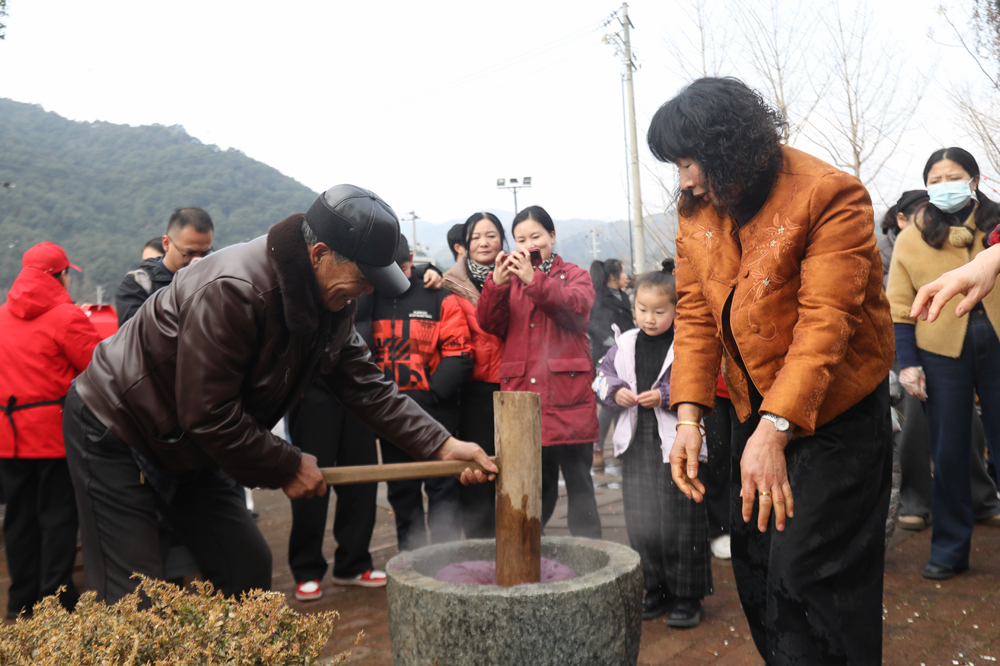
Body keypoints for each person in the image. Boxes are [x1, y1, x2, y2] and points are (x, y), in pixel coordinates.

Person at [63, 184, 496, 604]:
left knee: (245, 566)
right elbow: (208, 413)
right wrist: (287, 462)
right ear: (320, 254)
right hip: (118, 427)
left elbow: (366, 384)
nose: (367, 292)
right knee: (132, 597)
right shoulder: (235, 289)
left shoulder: (332, 302)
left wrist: (441, 444)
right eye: (364, 278)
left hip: (189, 443)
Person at [651, 78, 894, 663]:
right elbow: (694, 314)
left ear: (729, 147)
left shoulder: (830, 195)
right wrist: (689, 417)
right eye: (677, 165)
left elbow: (825, 325)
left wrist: (775, 428)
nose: (684, 179)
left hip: (834, 414)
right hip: (753, 410)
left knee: (812, 580)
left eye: (690, 162)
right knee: (758, 573)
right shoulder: (699, 209)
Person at [886, 147, 1000, 580]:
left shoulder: (996, 224)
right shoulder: (913, 235)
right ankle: (950, 547)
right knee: (947, 451)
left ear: (973, 180)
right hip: (940, 352)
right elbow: (899, 305)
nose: (943, 185)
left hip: (997, 346)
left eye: (953, 176)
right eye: (934, 179)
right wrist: (908, 363)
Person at [593, 261, 712, 627]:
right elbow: (600, 378)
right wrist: (615, 392)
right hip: (637, 447)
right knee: (642, 520)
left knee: (682, 521)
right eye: (642, 310)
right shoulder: (624, 344)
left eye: (660, 311)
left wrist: (664, 395)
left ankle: (687, 596)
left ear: (676, 311)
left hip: (678, 446)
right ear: (633, 310)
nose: (649, 318)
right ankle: (655, 587)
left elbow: (702, 382)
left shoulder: (686, 343)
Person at [477, 205, 602, 538]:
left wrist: (534, 280)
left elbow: (576, 311)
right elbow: (489, 324)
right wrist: (496, 286)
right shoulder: (510, 279)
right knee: (535, 484)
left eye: (536, 236)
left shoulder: (575, 274)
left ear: (552, 236)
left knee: (580, 483)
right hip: (524, 397)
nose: (529, 244)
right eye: (520, 239)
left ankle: (594, 555)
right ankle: (528, 550)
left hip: (567, 396)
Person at [0, 242, 102, 618]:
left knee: (19, 519)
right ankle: (55, 600)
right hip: (53, 438)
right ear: (59, 276)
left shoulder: (0, 317)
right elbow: (96, 369)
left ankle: (19, 602)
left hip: (8, 440)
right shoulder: (66, 316)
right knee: (58, 518)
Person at [367, 235, 473, 550]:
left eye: (400, 269)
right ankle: (410, 559)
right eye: (386, 272)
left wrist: (430, 395)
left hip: (436, 414)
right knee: (402, 491)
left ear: (411, 260)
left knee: (443, 490)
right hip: (390, 418)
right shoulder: (369, 297)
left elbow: (460, 351)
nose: (393, 279)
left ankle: (446, 558)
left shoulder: (438, 295)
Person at [285, 380, 384, 601]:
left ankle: (353, 563)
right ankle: (306, 569)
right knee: (308, 481)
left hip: (358, 392)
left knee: (362, 480)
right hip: (311, 391)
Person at [443, 212, 507, 538]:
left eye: (491, 235)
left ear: (502, 240)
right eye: (476, 236)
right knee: (478, 469)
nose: (484, 242)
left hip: (515, 386)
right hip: (476, 390)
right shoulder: (449, 283)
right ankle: (479, 545)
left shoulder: (518, 276)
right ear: (464, 244)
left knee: (515, 465)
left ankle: (516, 537)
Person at [115, 207, 214, 326]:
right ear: (166, 243)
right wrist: (184, 288)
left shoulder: (213, 280)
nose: (197, 260)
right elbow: (135, 335)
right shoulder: (137, 284)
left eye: (205, 254)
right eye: (189, 253)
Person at [588, 258, 634, 467]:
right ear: (613, 277)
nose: (626, 276)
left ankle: (621, 447)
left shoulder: (623, 296)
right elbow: (592, 325)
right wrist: (611, 342)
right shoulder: (598, 297)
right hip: (606, 356)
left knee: (622, 400)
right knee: (608, 404)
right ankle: (597, 450)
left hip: (624, 354)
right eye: (623, 273)